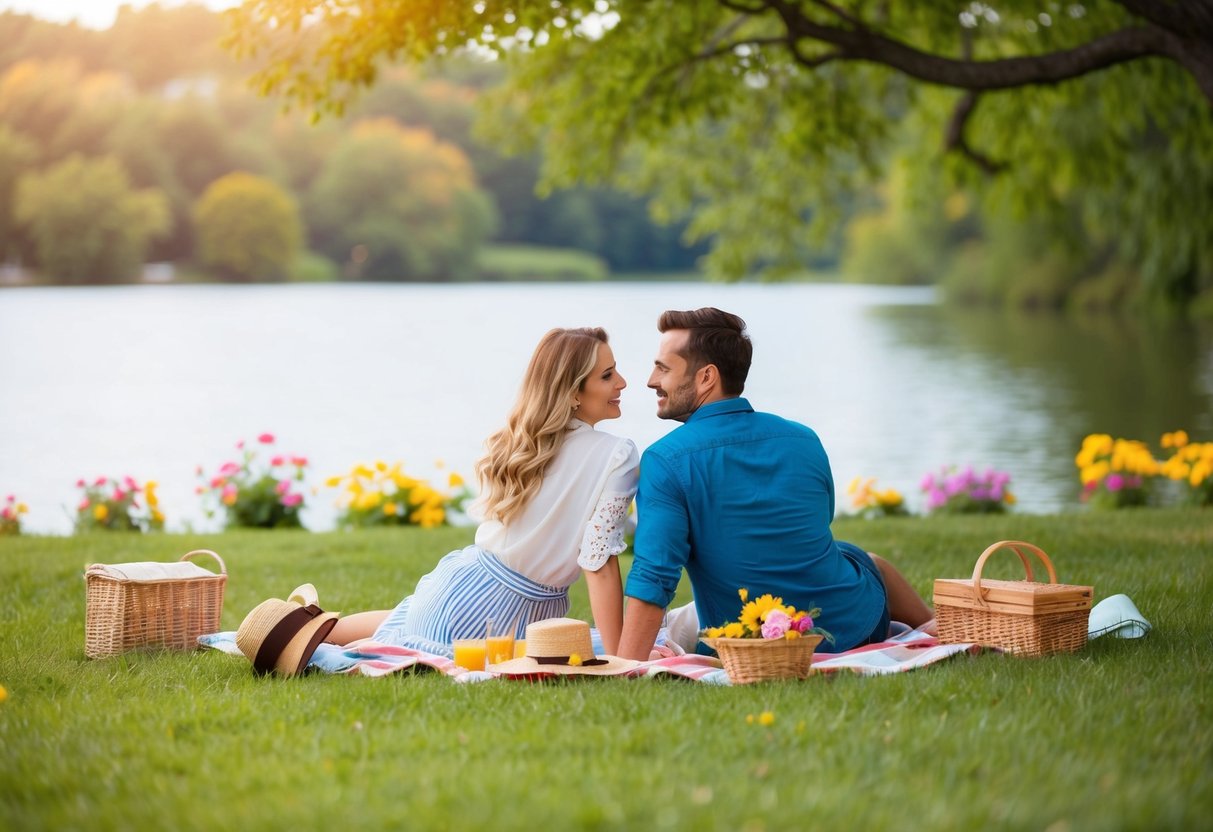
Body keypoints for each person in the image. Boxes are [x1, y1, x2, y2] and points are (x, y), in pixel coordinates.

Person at [616, 308, 934, 661]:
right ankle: (933, 627)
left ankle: (934, 627)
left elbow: (654, 576)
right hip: (857, 627)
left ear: (707, 377)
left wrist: (626, 666)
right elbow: (816, 522)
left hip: (750, 642)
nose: (650, 380)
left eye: (663, 368)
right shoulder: (804, 439)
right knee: (857, 559)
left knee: (855, 558)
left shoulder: (665, 459)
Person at [327, 326, 638, 656]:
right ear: (574, 392)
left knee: (397, 630)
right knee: (627, 645)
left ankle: (303, 631)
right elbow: (598, 561)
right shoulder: (618, 455)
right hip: (495, 618)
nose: (622, 382)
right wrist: (623, 660)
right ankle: (299, 634)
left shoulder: (527, 441)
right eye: (607, 375)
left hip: (458, 588)